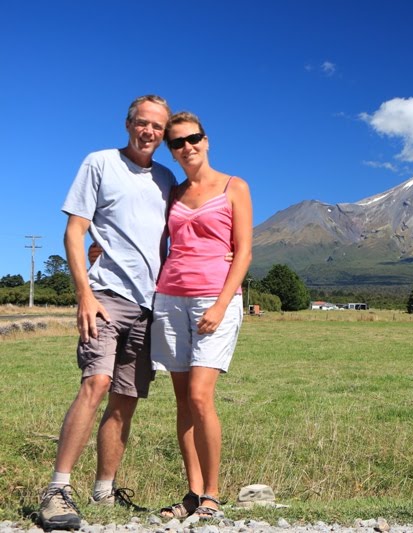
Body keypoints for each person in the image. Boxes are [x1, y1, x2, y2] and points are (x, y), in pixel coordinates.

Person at [39, 95, 176, 531]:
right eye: (143, 123)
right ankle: (57, 490)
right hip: (105, 296)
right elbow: (75, 231)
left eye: (158, 126)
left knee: (125, 401)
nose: (149, 132)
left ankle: (104, 491)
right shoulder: (99, 163)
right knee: (94, 383)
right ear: (128, 124)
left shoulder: (167, 179)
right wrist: (84, 293)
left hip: (147, 305)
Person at [150, 111, 252, 519]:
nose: (187, 147)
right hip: (170, 298)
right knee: (181, 402)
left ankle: (212, 493)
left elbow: (243, 250)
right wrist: (99, 250)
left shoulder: (234, 186)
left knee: (200, 395)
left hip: (214, 300)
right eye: (177, 142)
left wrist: (222, 303)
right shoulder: (171, 193)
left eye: (193, 138)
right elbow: (150, 240)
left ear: (206, 140)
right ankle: (191, 493)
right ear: (171, 151)